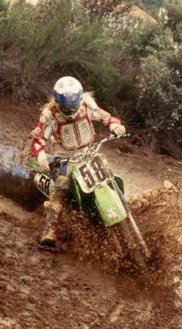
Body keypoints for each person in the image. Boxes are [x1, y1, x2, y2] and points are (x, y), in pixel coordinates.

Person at [29, 76, 126, 247]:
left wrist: (115, 127)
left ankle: (119, 206)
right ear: (57, 102)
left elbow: (107, 118)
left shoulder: (87, 105)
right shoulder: (50, 116)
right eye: (66, 107)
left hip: (89, 153)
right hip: (65, 158)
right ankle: (49, 230)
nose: (70, 109)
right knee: (62, 185)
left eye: (73, 104)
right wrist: (41, 156)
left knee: (110, 175)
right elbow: (37, 140)